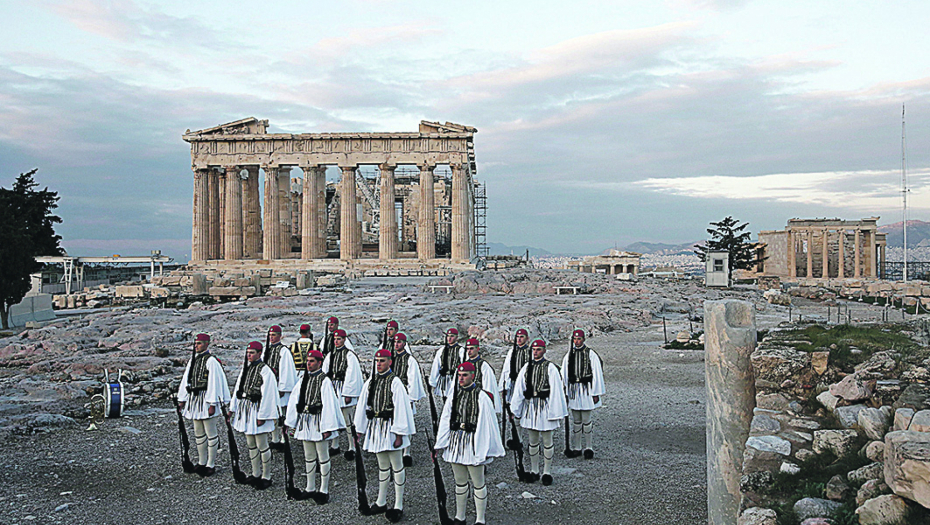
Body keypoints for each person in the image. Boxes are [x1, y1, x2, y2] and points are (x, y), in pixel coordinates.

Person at [435, 362, 505, 525]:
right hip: (456, 442)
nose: (461, 378)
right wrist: (440, 444)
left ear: (473, 376)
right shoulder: (453, 395)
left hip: (473, 443)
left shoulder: (482, 397)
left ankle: (480, 519)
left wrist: (482, 448)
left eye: (464, 375)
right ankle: (460, 517)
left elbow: (487, 424)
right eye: (459, 375)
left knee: (478, 483)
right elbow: (446, 419)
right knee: (459, 482)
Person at [355, 349, 415, 523]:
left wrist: (399, 434)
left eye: (382, 360)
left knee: (396, 466)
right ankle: (381, 501)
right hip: (376, 427)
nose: (379, 363)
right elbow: (362, 405)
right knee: (382, 466)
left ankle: (398, 504)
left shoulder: (395, 382)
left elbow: (401, 408)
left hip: (390, 427)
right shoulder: (371, 382)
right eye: (377, 361)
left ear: (389, 362)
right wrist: (359, 429)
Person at [284, 349, 345, 503]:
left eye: (312, 361)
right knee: (309, 456)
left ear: (319, 362)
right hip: (305, 421)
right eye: (308, 361)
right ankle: (310, 487)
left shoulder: (324, 380)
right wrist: (290, 422)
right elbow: (294, 400)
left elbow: (329, 404)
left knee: (323, 457)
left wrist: (327, 428)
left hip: (319, 421)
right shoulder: (302, 379)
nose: (309, 364)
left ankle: (324, 489)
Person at [509, 339, 567, 486]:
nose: (535, 352)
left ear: (544, 350)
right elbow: (519, 390)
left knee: (547, 442)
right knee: (532, 442)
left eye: (539, 349)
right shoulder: (526, 368)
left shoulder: (551, 368)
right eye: (534, 350)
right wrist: (515, 409)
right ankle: (534, 470)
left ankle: (547, 472)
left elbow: (556, 391)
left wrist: (555, 412)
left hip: (545, 407)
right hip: (531, 408)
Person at [177, 333, 230, 477]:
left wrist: (212, 403)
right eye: (196, 343)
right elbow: (186, 379)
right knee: (198, 433)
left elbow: (214, 383)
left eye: (199, 343)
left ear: (207, 344)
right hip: (194, 400)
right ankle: (201, 462)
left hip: (206, 399)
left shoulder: (212, 361)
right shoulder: (193, 360)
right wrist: (182, 399)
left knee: (211, 433)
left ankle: (210, 464)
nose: (196, 345)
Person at [229, 341, 279, 489]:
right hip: (246, 409)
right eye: (248, 352)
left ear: (259, 353)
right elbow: (239, 388)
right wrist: (232, 409)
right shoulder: (246, 369)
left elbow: (269, 394)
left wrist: (262, 416)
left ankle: (266, 476)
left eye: (252, 353)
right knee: (251, 444)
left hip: (258, 409)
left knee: (262, 445)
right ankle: (255, 473)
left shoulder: (265, 371)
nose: (249, 355)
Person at [561, 329, 605, 459]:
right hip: (574, 390)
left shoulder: (590, 354)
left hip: (586, 389)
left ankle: (589, 447)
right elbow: (564, 373)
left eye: (579, 339)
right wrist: (564, 390)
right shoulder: (569, 354)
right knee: (576, 421)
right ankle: (577, 447)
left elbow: (597, 373)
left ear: (584, 339)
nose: (577, 341)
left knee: (586, 420)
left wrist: (596, 392)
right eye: (575, 339)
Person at [323, 328, 364, 460]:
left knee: (347, 420)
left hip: (343, 387)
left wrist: (348, 393)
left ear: (344, 339)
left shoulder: (350, 355)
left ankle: (352, 446)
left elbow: (351, 375)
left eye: (339, 339)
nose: (336, 341)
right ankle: (335, 445)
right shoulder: (330, 355)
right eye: (335, 339)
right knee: (333, 417)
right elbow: (324, 371)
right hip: (333, 387)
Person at [392, 332, 426, 466]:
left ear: (405, 344)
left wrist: (411, 399)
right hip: (393, 392)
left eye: (399, 342)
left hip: (405, 393)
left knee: (406, 420)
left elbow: (412, 379)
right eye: (395, 342)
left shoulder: (410, 360)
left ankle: (407, 452)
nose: (397, 344)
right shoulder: (391, 358)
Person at [264, 325, 298, 450]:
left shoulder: (284, 351)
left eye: (274, 335)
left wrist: (283, 388)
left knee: (283, 415)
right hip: (269, 387)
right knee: (272, 414)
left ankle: (284, 439)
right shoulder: (266, 350)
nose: (271, 338)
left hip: (279, 386)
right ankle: (275, 438)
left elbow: (286, 370)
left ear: (279, 336)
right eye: (270, 335)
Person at [463, 338, 502, 415]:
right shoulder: (464, 365)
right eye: (467, 349)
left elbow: (488, 387)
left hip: (478, 400)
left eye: (471, 348)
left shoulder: (484, 366)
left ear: (477, 349)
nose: (469, 351)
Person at [429, 327, 465, 400]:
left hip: (456, 379)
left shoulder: (461, 350)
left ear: (457, 337)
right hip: (444, 380)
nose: (449, 338)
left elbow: (464, 365)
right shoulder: (441, 350)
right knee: (445, 399)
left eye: (452, 336)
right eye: (448, 336)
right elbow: (436, 365)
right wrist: (433, 381)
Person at [498, 328, 531, 405]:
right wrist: (505, 386)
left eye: (521, 337)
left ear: (527, 338)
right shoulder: (512, 351)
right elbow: (506, 369)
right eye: (517, 337)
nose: (519, 339)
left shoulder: (530, 352)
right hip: (513, 382)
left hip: (525, 383)